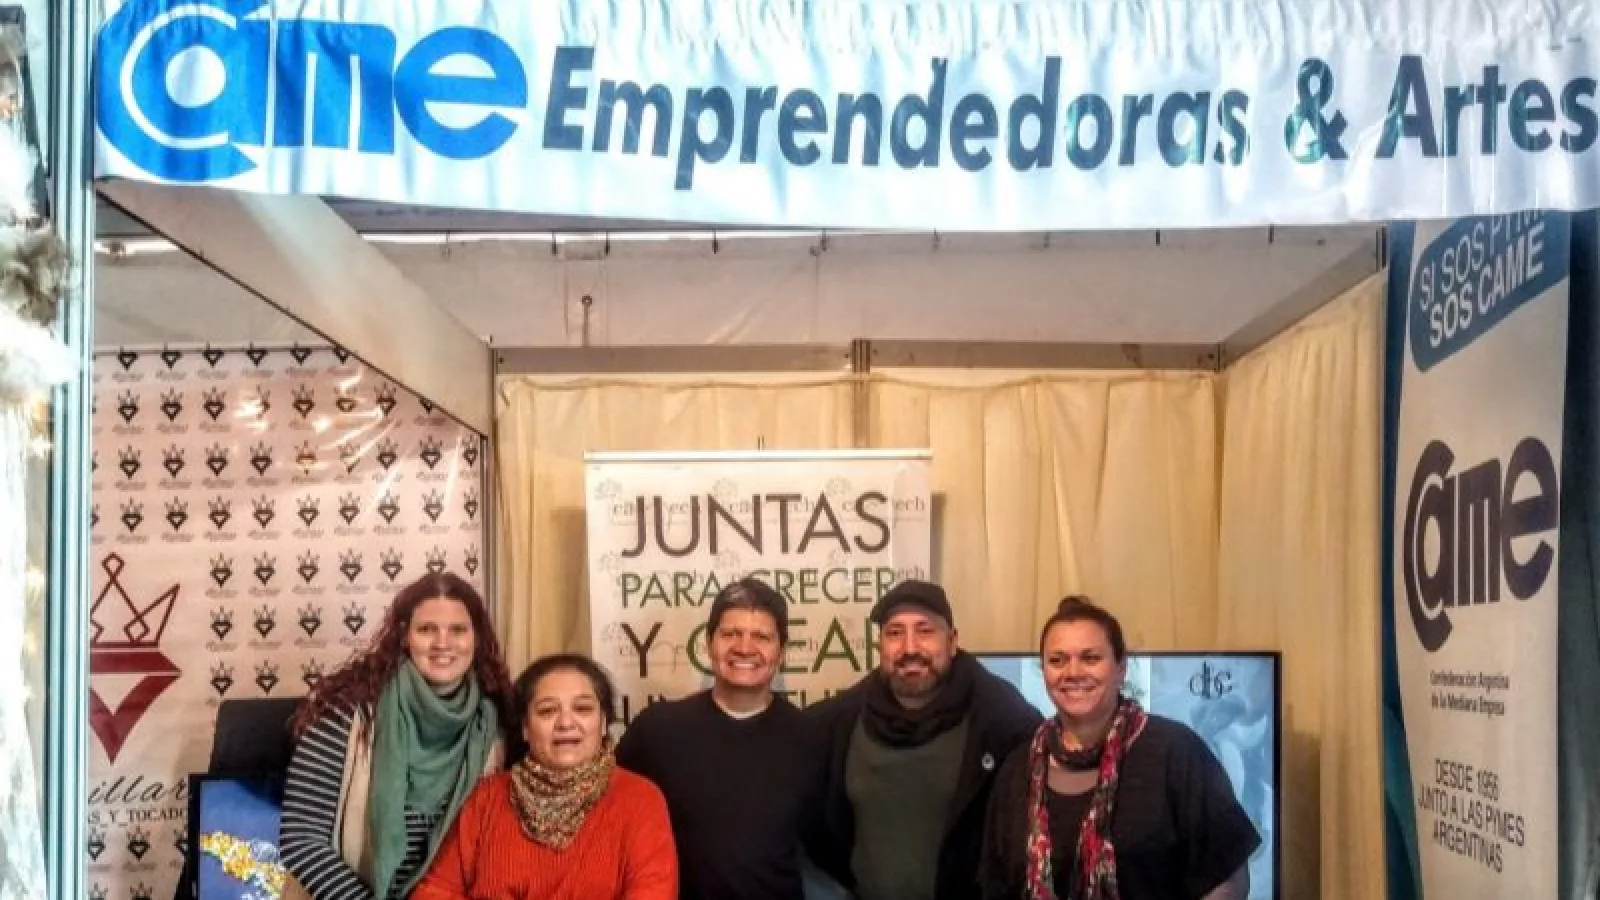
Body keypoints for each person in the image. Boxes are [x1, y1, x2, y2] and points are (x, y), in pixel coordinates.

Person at [979, 597, 1260, 900]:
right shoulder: (1017, 769)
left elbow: (1227, 878)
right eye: (1057, 660)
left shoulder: (1176, 753)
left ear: (1121, 667)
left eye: (1090, 658)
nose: (1073, 672)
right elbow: (994, 885)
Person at [280, 573, 513, 900]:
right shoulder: (346, 713)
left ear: (476, 638)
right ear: (405, 636)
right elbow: (302, 840)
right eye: (427, 629)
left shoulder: (495, 726)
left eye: (458, 630)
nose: (443, 643)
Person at [806, 579, 1042, 900]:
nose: (910, 648)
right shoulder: (837, 723)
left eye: (925, 631)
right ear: (879, 646)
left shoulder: (1004, 723)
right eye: (894, 633)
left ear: (952, 641)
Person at [411, 654, 678, 900]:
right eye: (548, 711)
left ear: (604, 723)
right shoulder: (485, 799)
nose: (565, 723)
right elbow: (432, 892)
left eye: (582, 709)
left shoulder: (639, 800)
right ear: (526, 728)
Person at [615, 578, 817, 900]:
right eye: (730, 634)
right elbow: (609, 811)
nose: (744, 648)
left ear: (781, 652)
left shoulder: (809, 737)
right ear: (709, 644)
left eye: (761, 637)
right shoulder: (658, 729)